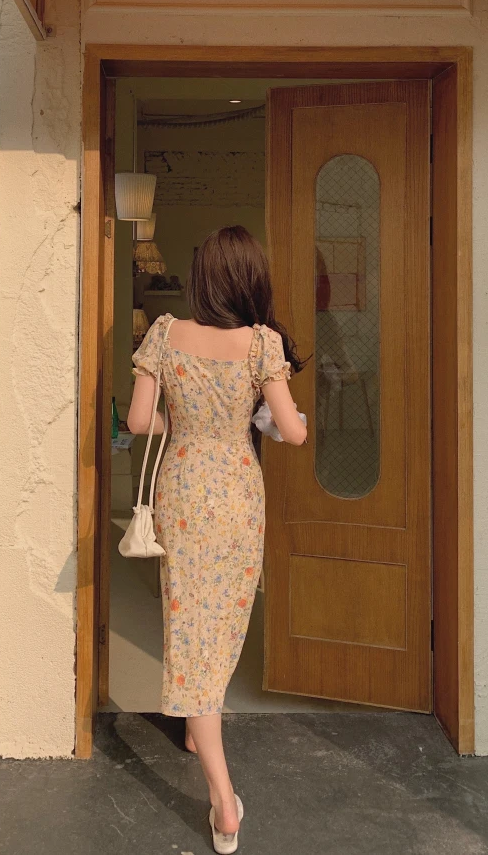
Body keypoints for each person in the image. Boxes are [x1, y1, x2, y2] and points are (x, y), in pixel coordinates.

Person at [127, 225, 306, 854]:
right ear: (250, 278)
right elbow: (292, 432)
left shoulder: (165, 332)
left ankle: (196, 727)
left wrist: (184, 420)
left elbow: (138, 420)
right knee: (221, 623)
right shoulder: (261, 343)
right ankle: (224, 803)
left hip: (182, 486)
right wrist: (261, 416)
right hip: (235, 495)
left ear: (203, 278)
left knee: (190, 623)